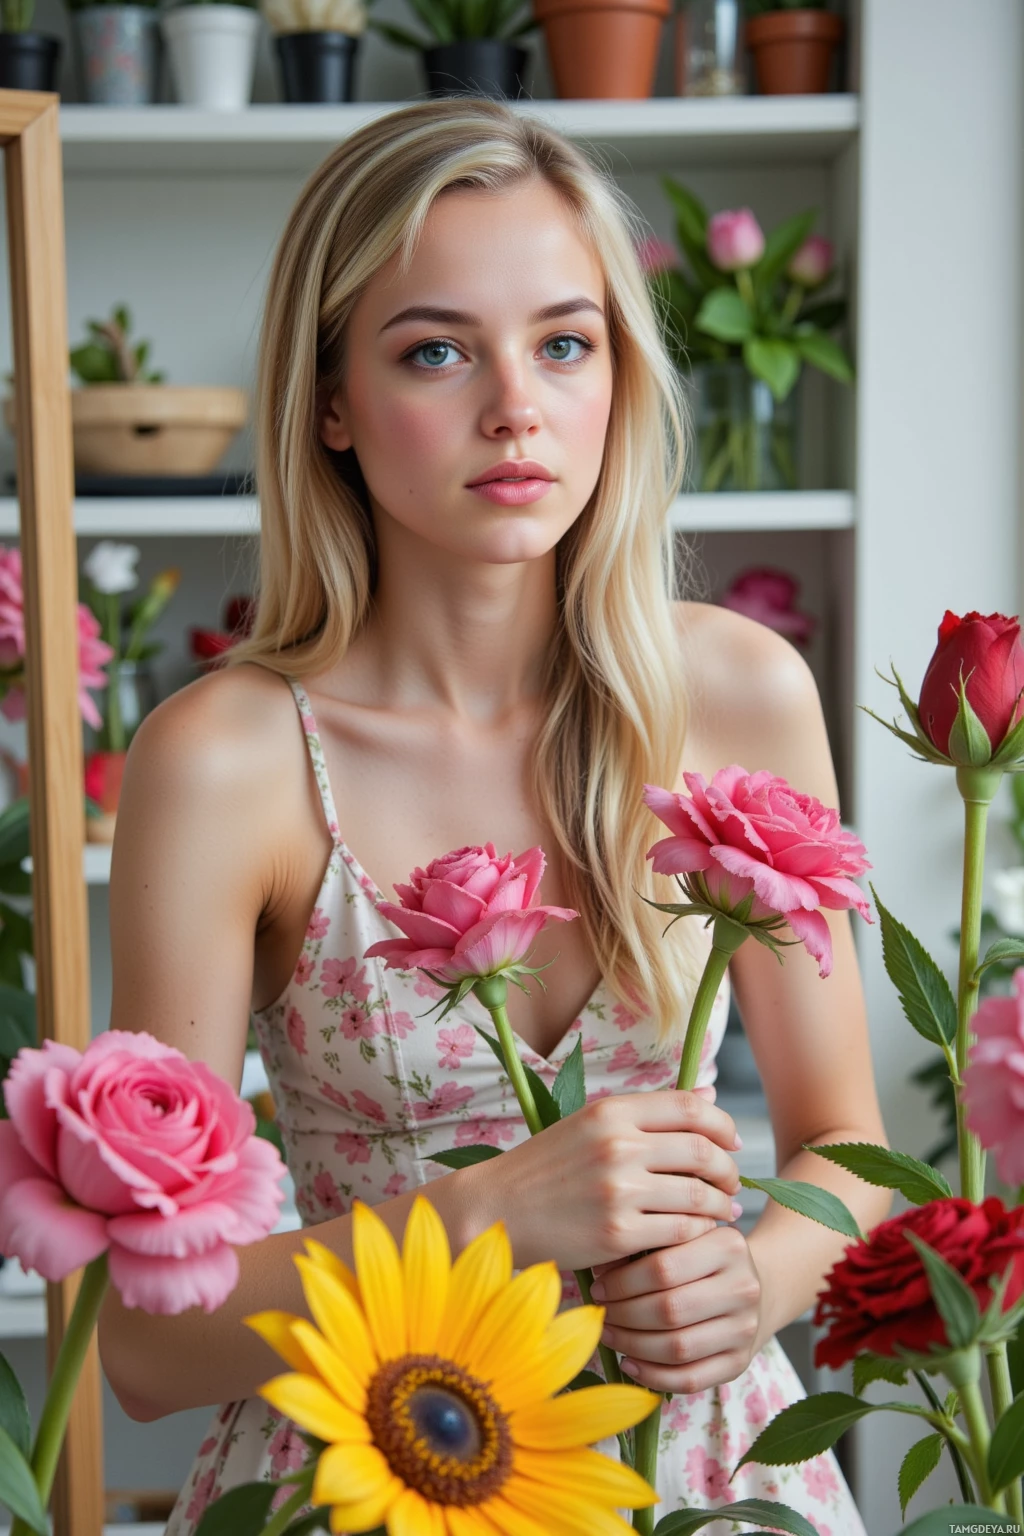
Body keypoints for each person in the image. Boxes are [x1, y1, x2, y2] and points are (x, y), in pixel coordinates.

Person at [96, 97, 891, 1534]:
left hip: (704, 1473)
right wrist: (482, 1216)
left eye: (565, 342)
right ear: (331, 400)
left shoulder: (741, 693)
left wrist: (752, 1286)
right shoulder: (224, 761)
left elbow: (849, 1149)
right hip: (374, 1476)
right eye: (438, 350)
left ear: (617, 379)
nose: (516, 404)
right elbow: (147, 1340)